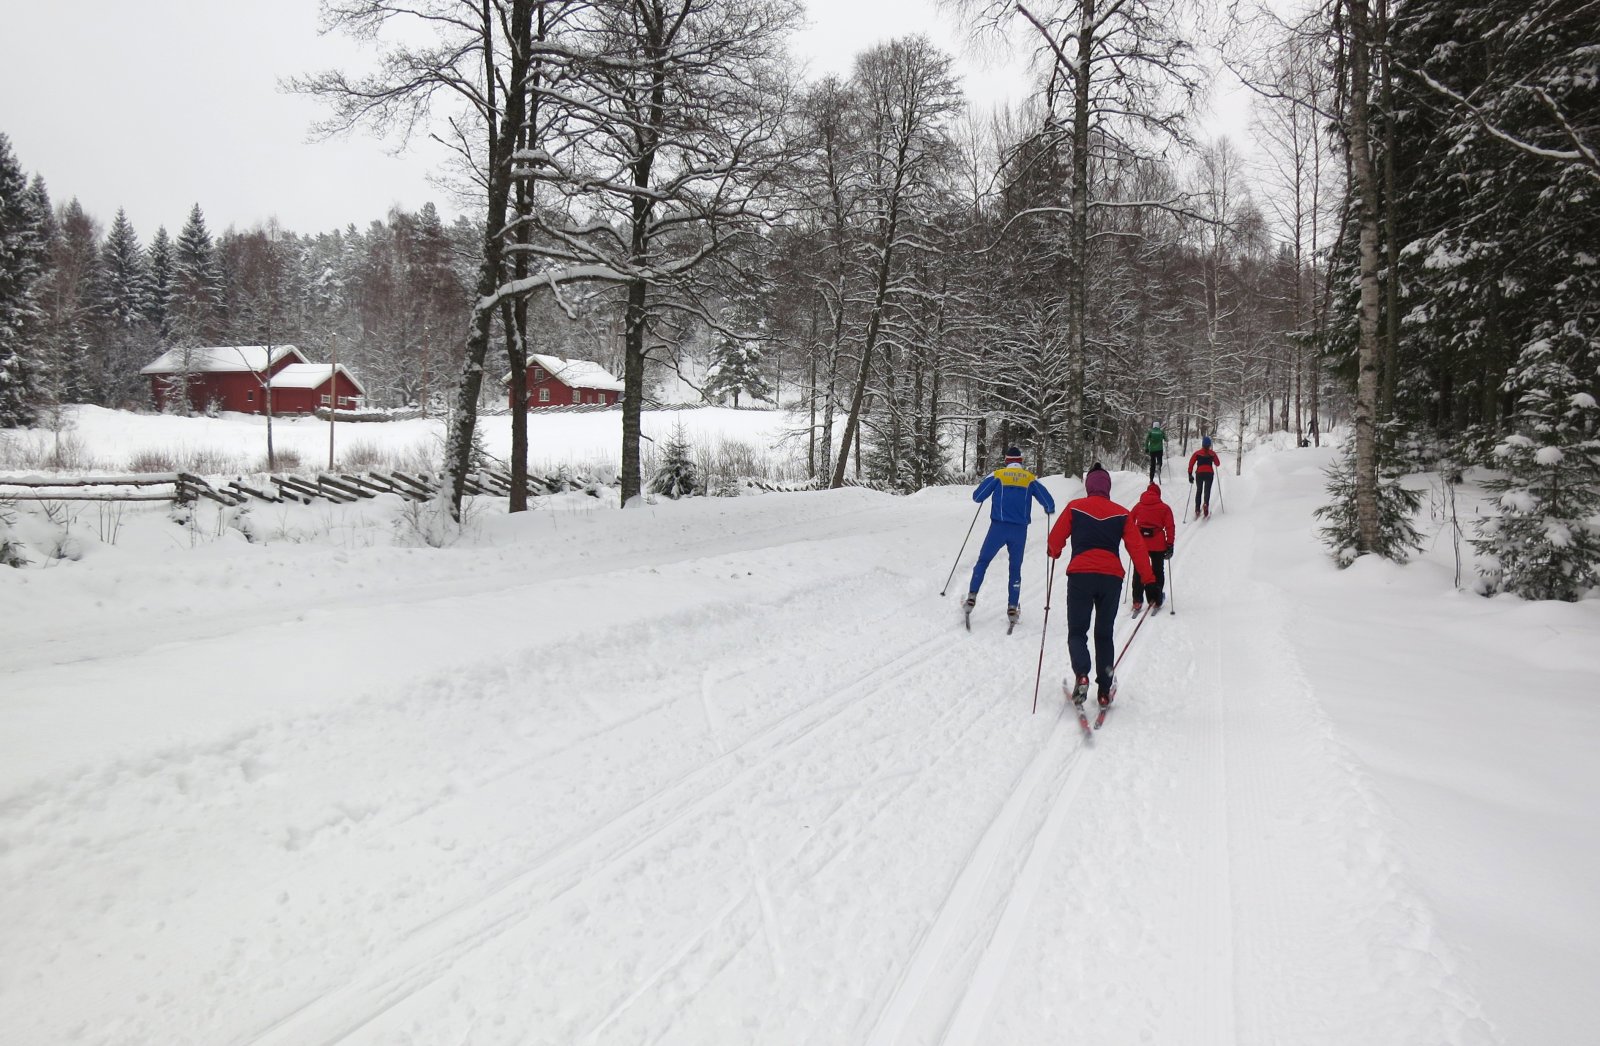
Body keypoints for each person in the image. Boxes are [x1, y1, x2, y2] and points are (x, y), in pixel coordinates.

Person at [1047, 463, 1155, 707]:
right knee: (1104, 634)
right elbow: (1137, 548)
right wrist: (1149, 581)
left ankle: (1082, 674)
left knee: (1077, 631)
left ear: (1088, 486)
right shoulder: (1121, 513)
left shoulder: (1075, 507)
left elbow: (1055, 541)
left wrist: (1054, 551)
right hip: (1111, 578)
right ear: (1107, 486)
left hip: (1080, 577)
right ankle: (1104, 689)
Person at [965, 446, 1056, 627]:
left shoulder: (998, 475)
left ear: (1006, 461)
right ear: (1021, 461)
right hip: (1019, 531)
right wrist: (1048, 509)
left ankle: (971, 597)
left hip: (997, 528)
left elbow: (977, 497)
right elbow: (1049, 503)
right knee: (1015, 569)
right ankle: (1012, 607)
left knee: (983, 561)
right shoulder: (1030, 479)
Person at [1128, 483, 1175, 614]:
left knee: (1139, 571)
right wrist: (1170, 544)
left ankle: (1137, 600)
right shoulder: (1164, 508)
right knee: (1157, 570)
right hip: (1158, 544)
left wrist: (1131, 539)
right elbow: (1170, 527)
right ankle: (1156, 598)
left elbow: (1129, 522)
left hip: (1140, 544)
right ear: (1158, 494)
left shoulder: (1138, 506)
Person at [1188, 436, 1222, 518]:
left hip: (1199, 474)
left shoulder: (1197, 453)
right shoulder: (1212, 453)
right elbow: (1218, 464)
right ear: (1209, 445)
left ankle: (1197, 509)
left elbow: (1191, 463)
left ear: (1202, 444)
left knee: (1199, 491)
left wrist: (1190, 474)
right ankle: (1206, 504)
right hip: (1209, 474)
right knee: (1207, 490)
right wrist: (1213, 458)